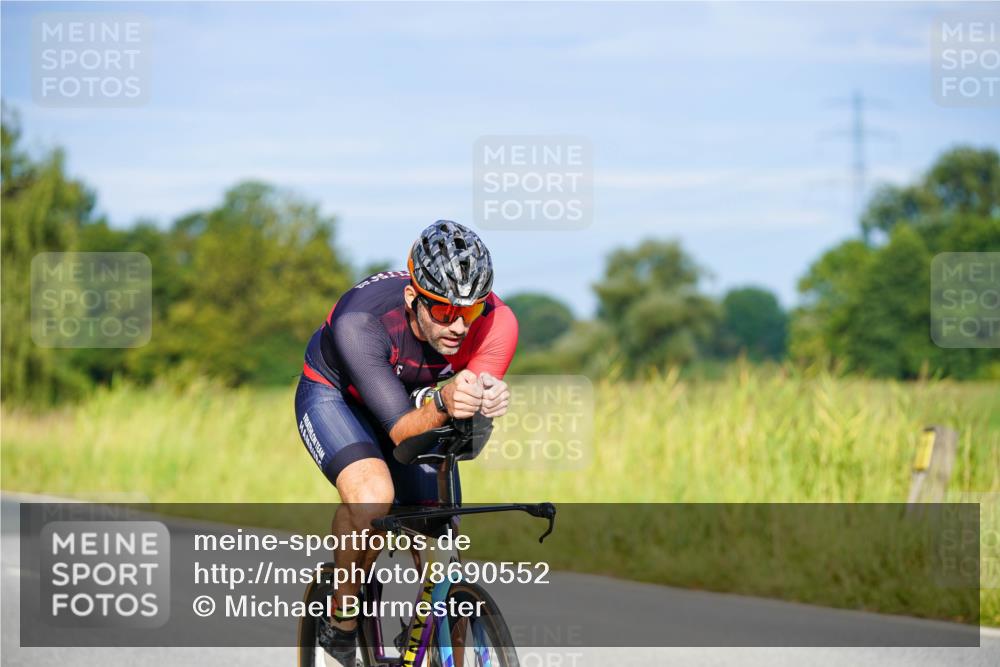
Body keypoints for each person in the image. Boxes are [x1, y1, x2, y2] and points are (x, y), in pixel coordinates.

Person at [294, 220, 518, 664]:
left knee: (436, 529)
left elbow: (463, 417)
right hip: (340, 397)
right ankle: (342, 617)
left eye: (469, 312)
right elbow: (398, 429)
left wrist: (484, 399)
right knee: (373, 498)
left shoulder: (499, 323)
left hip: (417, 400)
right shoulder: (360, 321)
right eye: (443, 312)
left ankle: (427, 638)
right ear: (414, 298)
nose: (457, 326)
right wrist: (444, 400)